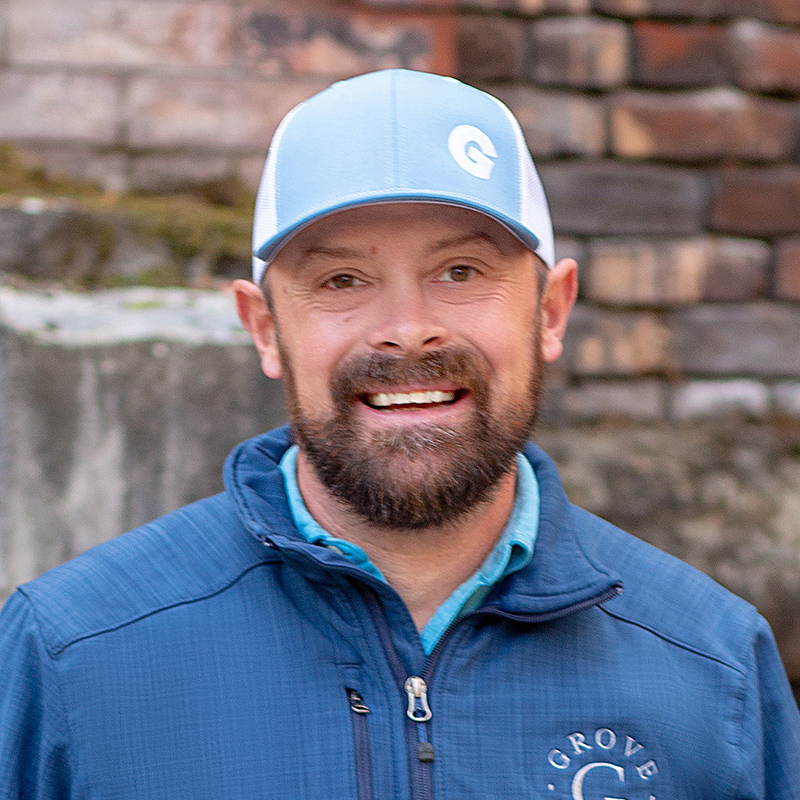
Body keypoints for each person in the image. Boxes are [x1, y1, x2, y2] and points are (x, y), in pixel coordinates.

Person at [1, 69, 798, 800]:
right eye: (342, 279)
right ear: (265, 328)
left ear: (550, 311)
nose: (408, 329)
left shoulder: (714, 667)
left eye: (461, 271)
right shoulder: (71, 652)